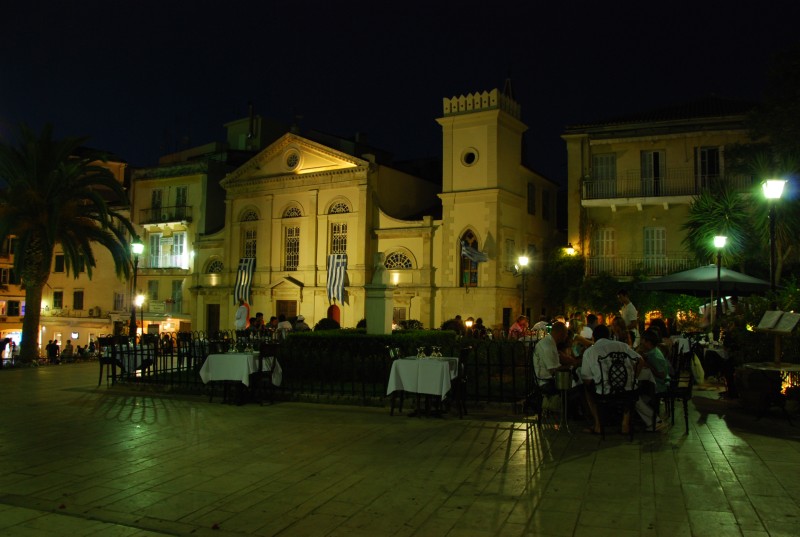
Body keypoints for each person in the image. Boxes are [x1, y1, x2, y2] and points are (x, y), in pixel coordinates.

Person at [581, 324, 642, 435]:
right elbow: (640, 360)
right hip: (628, 391)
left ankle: (598, 425)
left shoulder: (590, 351)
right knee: (630, 389)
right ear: (609, 335)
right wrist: (634, 377)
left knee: (586, 389)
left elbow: (586, 378)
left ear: (594, 337)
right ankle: (625, 424)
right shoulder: (623, 346)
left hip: (604, 392)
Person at [635, 329, 670, 428]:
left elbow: (662, 375)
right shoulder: (651, 352)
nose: (640, 342)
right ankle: (651, 421)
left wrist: (648, 366)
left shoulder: (655, 355)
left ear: (647, 342)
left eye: (642, 340)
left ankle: (655, 421)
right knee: (636, 396)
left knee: (634, 397)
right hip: (652, 383)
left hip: (658, 385)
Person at [533, 321, 570, 391]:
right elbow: (553, 370)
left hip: (549, 380)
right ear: (560, 333)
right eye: (566, 333)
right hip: (545, 382)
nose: (567, 336)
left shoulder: (550, 342)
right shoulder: (547, 346)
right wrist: (571, 366)